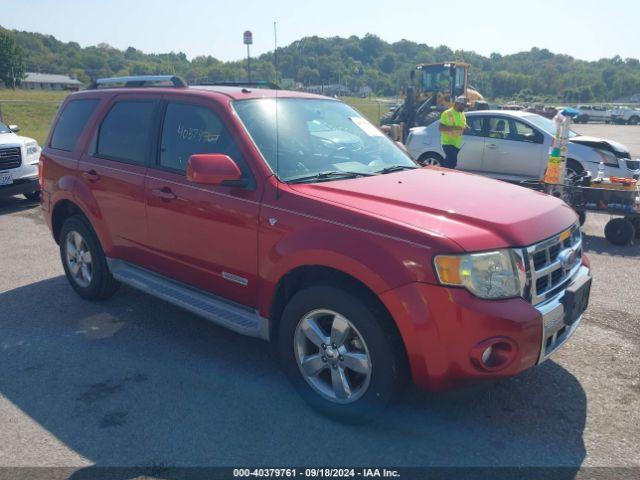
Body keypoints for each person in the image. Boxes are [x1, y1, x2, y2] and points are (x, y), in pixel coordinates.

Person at [438, 96, 468, 169]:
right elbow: (440, 128)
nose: (464, 108)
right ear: (458, 104)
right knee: (452, 161)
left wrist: (466, 128)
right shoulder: (447, 113)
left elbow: (463, 125)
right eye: (463, 106)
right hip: (448, 143)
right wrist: (455, 128)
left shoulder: (462, 114)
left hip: (457, 144)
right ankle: (441, 174)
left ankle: (442, 173)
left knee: (451, 163)